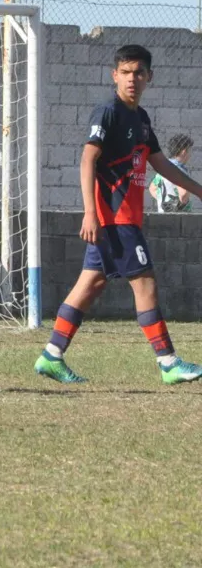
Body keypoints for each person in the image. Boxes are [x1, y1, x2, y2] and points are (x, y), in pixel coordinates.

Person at [35, 45, 202, 385]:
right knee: (145, 283)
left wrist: (199, 190)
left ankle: (52, 356)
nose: (132, 79)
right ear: (115, 76)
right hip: (115, 219)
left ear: (148, 77)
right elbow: (87, 160)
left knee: (89, 285)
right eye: (125, 72)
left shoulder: (140, 119)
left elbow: (160, 164)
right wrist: (89, 213)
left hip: (121, 219)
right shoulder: (107, 112)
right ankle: (168, 362)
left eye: (138, 73)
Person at [149, 133, 193, 213]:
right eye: (189, 151)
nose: (190, 155)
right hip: (179, 218)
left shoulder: (163, 169)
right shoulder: (179, 171)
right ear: (184, 152)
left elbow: (152, 189)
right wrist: (178, 205)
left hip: (162, 214)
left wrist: (165, 201)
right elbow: (183, 195)